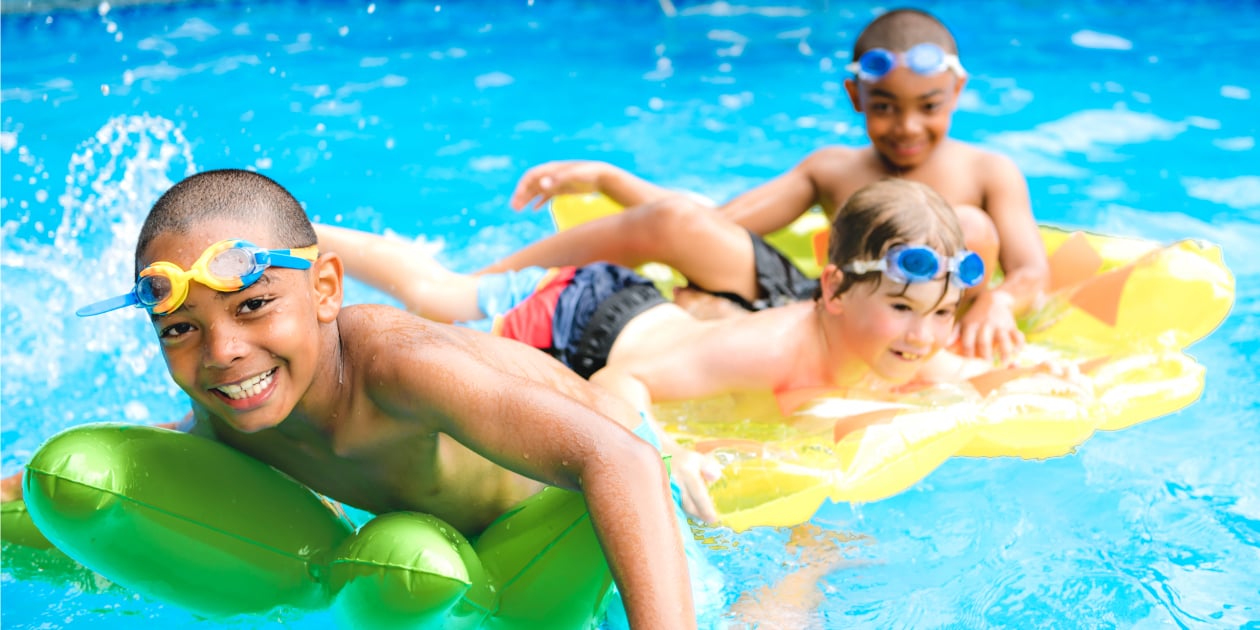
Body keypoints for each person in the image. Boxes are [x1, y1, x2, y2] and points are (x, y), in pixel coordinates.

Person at [1, 169, 697, 629]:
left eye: (253, 306)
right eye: (181, 329)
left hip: (591, 492)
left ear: (327, 290)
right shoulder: (229, 400)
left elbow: (620, 460)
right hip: (456, 545)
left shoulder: (401, 369)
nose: (222, 353)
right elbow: (183, 443)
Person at [315, 178, 1075, 525]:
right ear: (835, 289)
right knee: (439, 298)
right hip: (582, 319)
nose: (923, 335)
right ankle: (307, 242)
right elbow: (625, 379)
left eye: (941, 314)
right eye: (905, 310)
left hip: (637, 312)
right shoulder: (770, 347)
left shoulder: (906, 348)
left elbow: (969, 372)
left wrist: (1031, 368)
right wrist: (663, 450)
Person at [481, 8, 1049, 365]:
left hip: (914, 335)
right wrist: (609, 179)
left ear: (958, 90)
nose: (906, 126)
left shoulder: (988, 172)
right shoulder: (833, 169)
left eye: (928, 106)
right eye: (884, 107)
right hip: (822, 307)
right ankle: (483, 284)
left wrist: (998, 299)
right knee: (677, 224)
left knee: (968, 228)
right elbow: (720, 221)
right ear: (856, 100)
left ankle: (724, 318)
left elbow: (1031, 272)